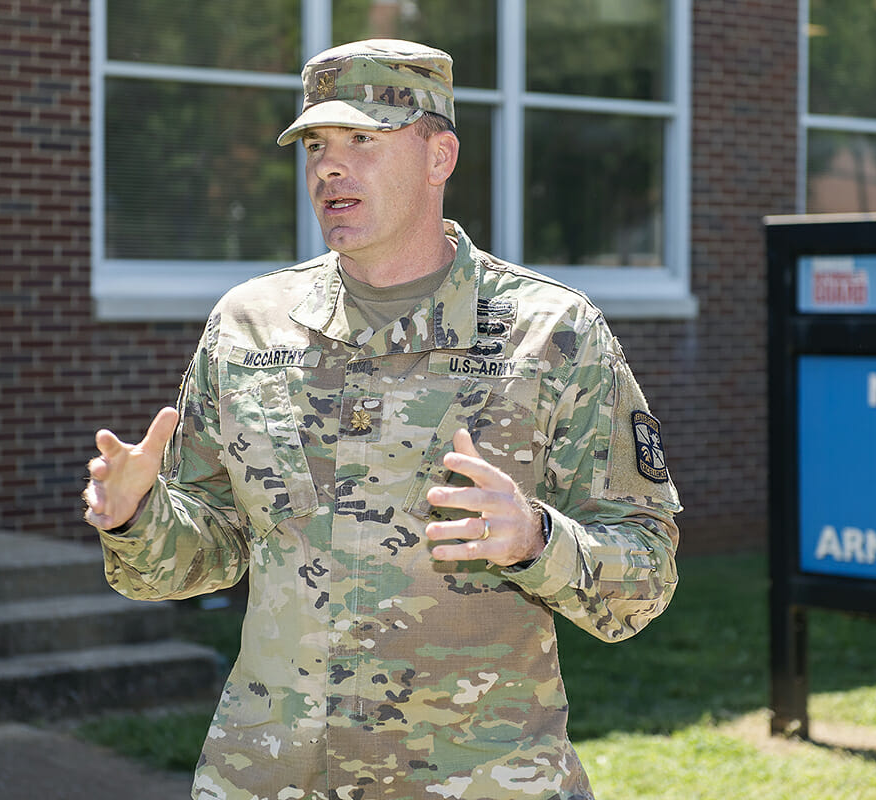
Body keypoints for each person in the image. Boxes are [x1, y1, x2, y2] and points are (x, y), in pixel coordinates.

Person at [85, 38, 680, 800]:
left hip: (479, 779)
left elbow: (646, 574)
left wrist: (536, 538)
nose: (330, 167)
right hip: (273, 775)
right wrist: (138, 516)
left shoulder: (552, 333)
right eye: (317, 146)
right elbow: (210, 554)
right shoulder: (249, 327)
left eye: (363, 140)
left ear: (440, 157)